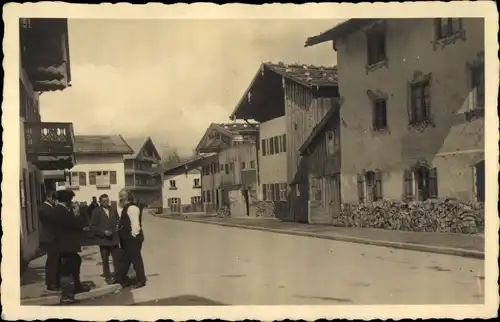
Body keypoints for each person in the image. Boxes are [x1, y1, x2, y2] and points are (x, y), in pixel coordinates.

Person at [53, 189, 90, 304]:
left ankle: (76, 287)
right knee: (67, 270)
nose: (72, 202)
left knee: (75, 262)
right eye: (71, 199)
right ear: (67, 200)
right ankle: (66, 295)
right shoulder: (63, 212)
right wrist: (77, 213)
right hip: (66, 245)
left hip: (66, 245)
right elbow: (79, 225)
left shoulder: (60, 210)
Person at [114, 188, 146, 289]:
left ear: (127, 197)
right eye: (119, 196)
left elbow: (135, 225)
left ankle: (141, 280)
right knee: (125, 260)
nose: (120, 198)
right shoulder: (124, 208)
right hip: (126, 239)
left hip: (132, 239)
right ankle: (122, 279)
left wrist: (133, 237)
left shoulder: (132, 208)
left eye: (122, 196)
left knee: (136, 260)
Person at [89, 194, 120, 284]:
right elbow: (92, 226)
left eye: (107, 201)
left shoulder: (113, 209)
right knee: (105, 260)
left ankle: (118, 276)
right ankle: (108, 277)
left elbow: (117, 220)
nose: (106, 203)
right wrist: (103, 232)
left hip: (114, 239)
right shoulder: (96, 211)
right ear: (100, 202)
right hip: (104, 241)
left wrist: (117, 227)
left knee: (116, 259)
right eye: (104, 201)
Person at [38, 189, 60, 291]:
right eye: (53, 198)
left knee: (55, 261)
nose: (54, 200)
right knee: (52, 262)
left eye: (55, 198)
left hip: (52, 237)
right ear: (48, 197)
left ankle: (54, 281)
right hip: (50, 238)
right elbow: (51, 221)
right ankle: (51, 283)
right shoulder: (45, 208)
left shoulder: (50, 208)